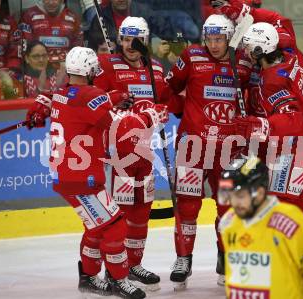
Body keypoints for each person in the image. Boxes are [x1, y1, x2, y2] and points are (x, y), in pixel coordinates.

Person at [24, 46, 169, 299]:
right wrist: (150, 117)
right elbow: (120, 128)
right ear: (90, 71)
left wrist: (113, 97)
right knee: (114, 225)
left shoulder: (61, 94)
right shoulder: (91, 96)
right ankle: (119, 280)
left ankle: (89, 278)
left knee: (96, 227)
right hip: (84, 179)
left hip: (65, 177)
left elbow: (82, 104)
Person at [232, 22, 303, 267]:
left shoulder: (272, 80)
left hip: (294, 149)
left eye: (249, 47)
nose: (246, 51)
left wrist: (255, 125)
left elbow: (291, 120)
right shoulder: (295, 60)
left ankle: (293, 260)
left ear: (261, 49)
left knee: (281, 203)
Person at [161, 14, 252, 289]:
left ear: (229, 38)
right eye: (210, 39)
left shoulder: (244, 62)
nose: (214, 45)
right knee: (188, 206)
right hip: (193, 146)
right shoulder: (191, 57)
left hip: (230, 149)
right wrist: (178, 111)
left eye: (219, 39)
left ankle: (226, 257)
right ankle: (183, 258)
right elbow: (169, 88)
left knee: (228, 208)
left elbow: (255, 99)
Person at [93, 16, 169, 292]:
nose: (129, 45)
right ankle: (115, 270)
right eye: (124, 39)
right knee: (119, 215)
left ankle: (133, 265)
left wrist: (160, 113)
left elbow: (165, 103)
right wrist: (112, 99)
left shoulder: (156, 69)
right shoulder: (106, 65)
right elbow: (93, 100)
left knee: (141, 213)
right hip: (117, 157)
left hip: (145, 156)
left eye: (135, 39)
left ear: (145, 41)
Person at [218, 155, 303, 299]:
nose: (234, 203)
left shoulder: (289, 221)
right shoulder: (228, 222)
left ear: (259, 193)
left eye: (240, 196)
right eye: (230, 195)